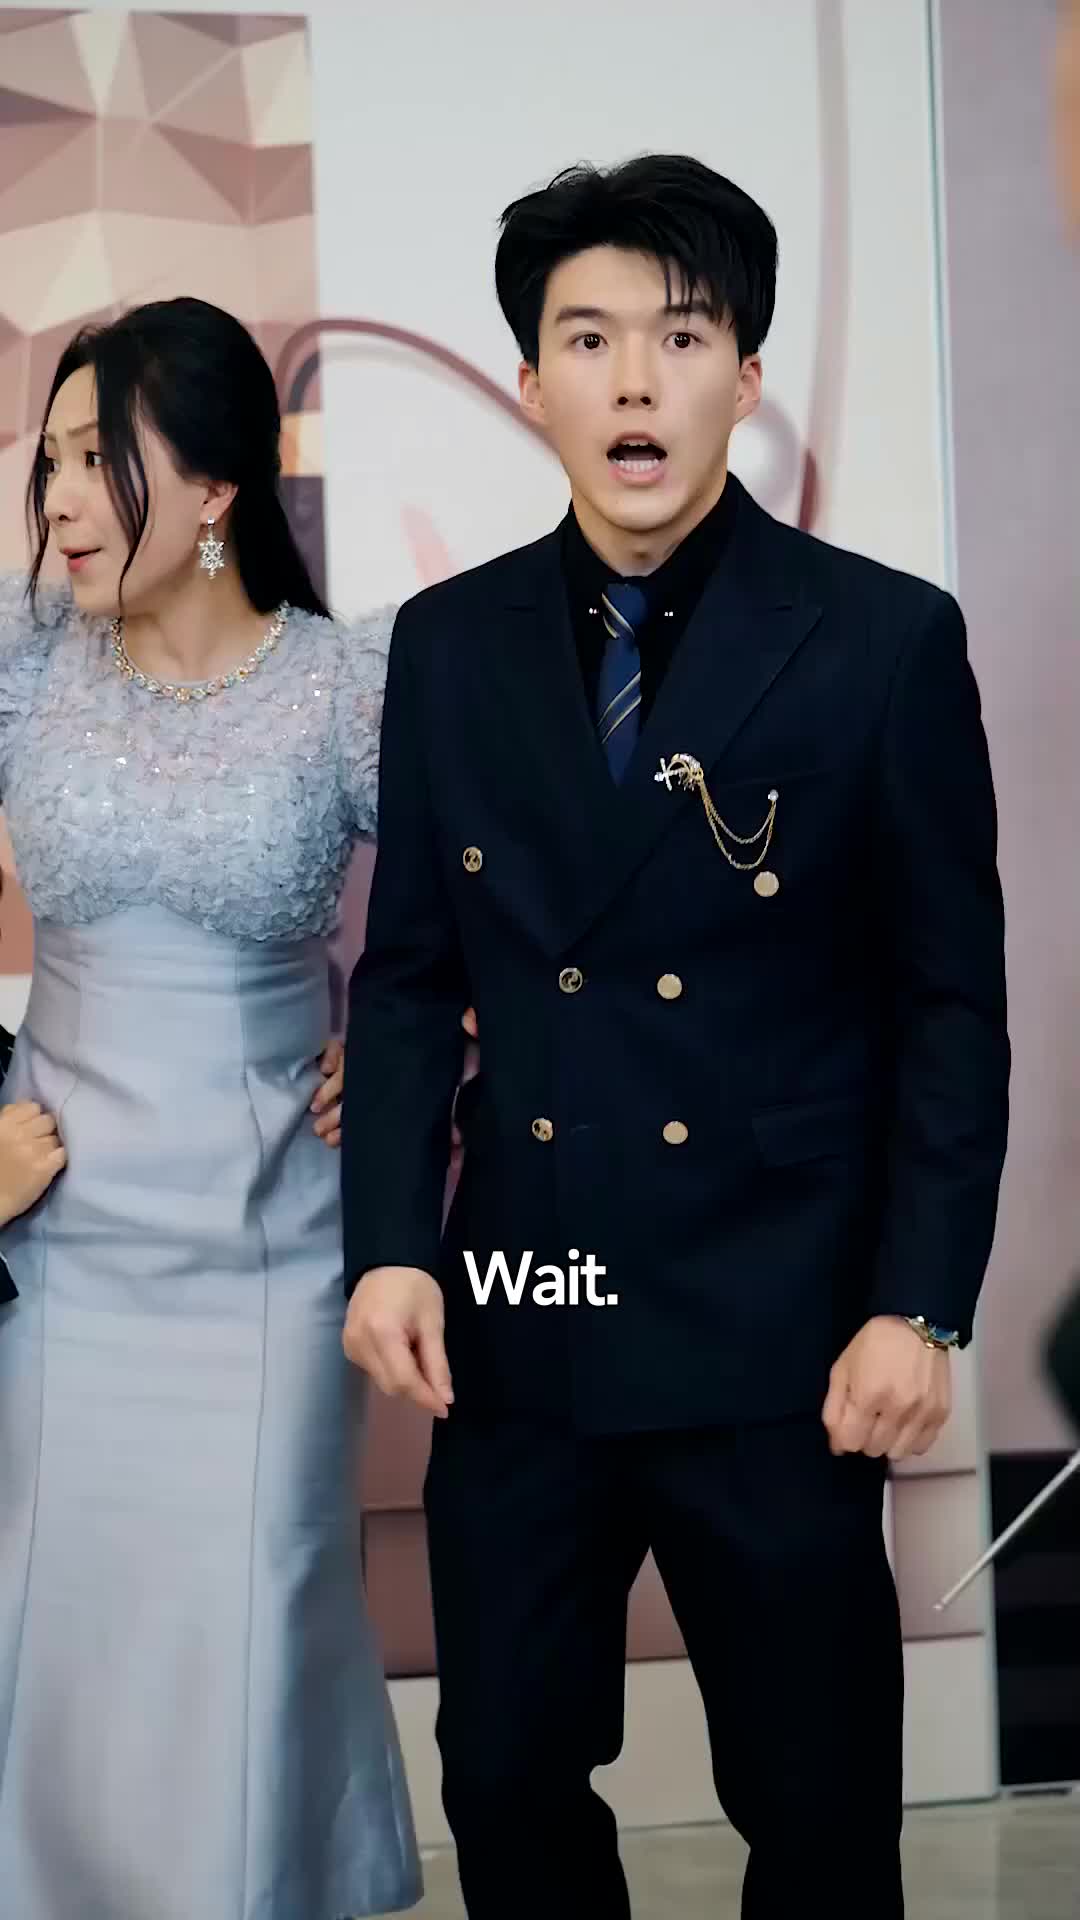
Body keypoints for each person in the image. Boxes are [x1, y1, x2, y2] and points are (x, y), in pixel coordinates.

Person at [339, 154, 1010, 1919]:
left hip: (780, 1326)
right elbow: (405, 980)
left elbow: (950, 1006)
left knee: (816, 1810)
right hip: (527, 1312)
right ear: (531, 380)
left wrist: (923, 1303)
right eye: (590, 339)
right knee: (501, 1779)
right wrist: (393, 1244)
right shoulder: (448, 645)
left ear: (747, 375)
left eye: (681, 335)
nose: (634, 380)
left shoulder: (881, 639)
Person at [0, 297, 421, 1919]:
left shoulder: (346, 686)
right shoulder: (26, 671)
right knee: (58, 1633)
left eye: (96, 462)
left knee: (248, 1620)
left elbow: (508, 917)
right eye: (48, 464)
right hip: (56, 1245)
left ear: (218, 486)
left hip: (272, 1250)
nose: (60, 502)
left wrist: (413, 1052)